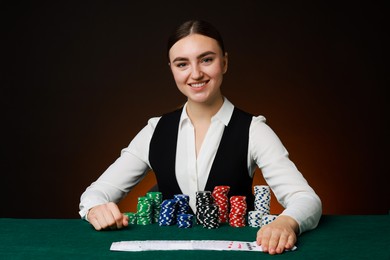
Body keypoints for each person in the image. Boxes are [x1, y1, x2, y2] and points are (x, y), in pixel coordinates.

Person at [79, 19, 322, 255]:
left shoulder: (253, 130)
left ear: (224, 63)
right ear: (172, 69)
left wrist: (287, 222)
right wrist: (94, 209)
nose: (195, 74)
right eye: (182, 64)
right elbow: (95, 193)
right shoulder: (155, 130)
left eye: (206, 60)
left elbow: (306, 199)